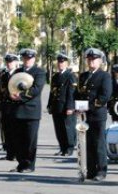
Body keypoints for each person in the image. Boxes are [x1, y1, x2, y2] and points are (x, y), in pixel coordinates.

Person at [75, 48, 112, 181]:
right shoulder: (83, 76)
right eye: (89, 59)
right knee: (87, 144)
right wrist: (76, 107)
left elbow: (104, 96)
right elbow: (78, 94)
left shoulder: (104, 76)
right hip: (83, 116)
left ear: (100, 61)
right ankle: (90, 171)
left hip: (96, 114)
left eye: (94, 59)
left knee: (98, 144)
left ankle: (101, 171)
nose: (91, 62)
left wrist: (88, 107)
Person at [8, 48, 46, 173]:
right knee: (18, 140)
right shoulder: (17, 72)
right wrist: (11, 94)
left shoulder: (39, 72)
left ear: (34, 59)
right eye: (25, 58)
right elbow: (11, 86)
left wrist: (20, 96)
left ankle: (29, 165)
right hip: (17, 111)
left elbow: (36, 89)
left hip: (31, 111)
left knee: (30, 140)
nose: (27, 60)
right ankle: (21, 164)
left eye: (29, 58)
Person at [47, 53, 76, 156]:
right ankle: (62, 148)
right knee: (59, 129)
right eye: (59, 62)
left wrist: (70, 107)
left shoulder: (70, 76)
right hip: (56, 106)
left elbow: (71, 93)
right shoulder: (55, 76)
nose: (60, 64)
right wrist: (49, 104)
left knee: (68, 128)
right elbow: (52, 92)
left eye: (62, 62)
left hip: (66, 107)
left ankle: (69, 148)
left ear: (66, 63)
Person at [0, 54, 19, 160]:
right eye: (7, 61)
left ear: (16, 62)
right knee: (5, 129)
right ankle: (9, 153)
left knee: (15, 130)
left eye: (11, 61)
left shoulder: (19, 74)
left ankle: (17, 153)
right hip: (3, 105)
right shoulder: (2, 74)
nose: (9, 64)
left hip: (15, 105)